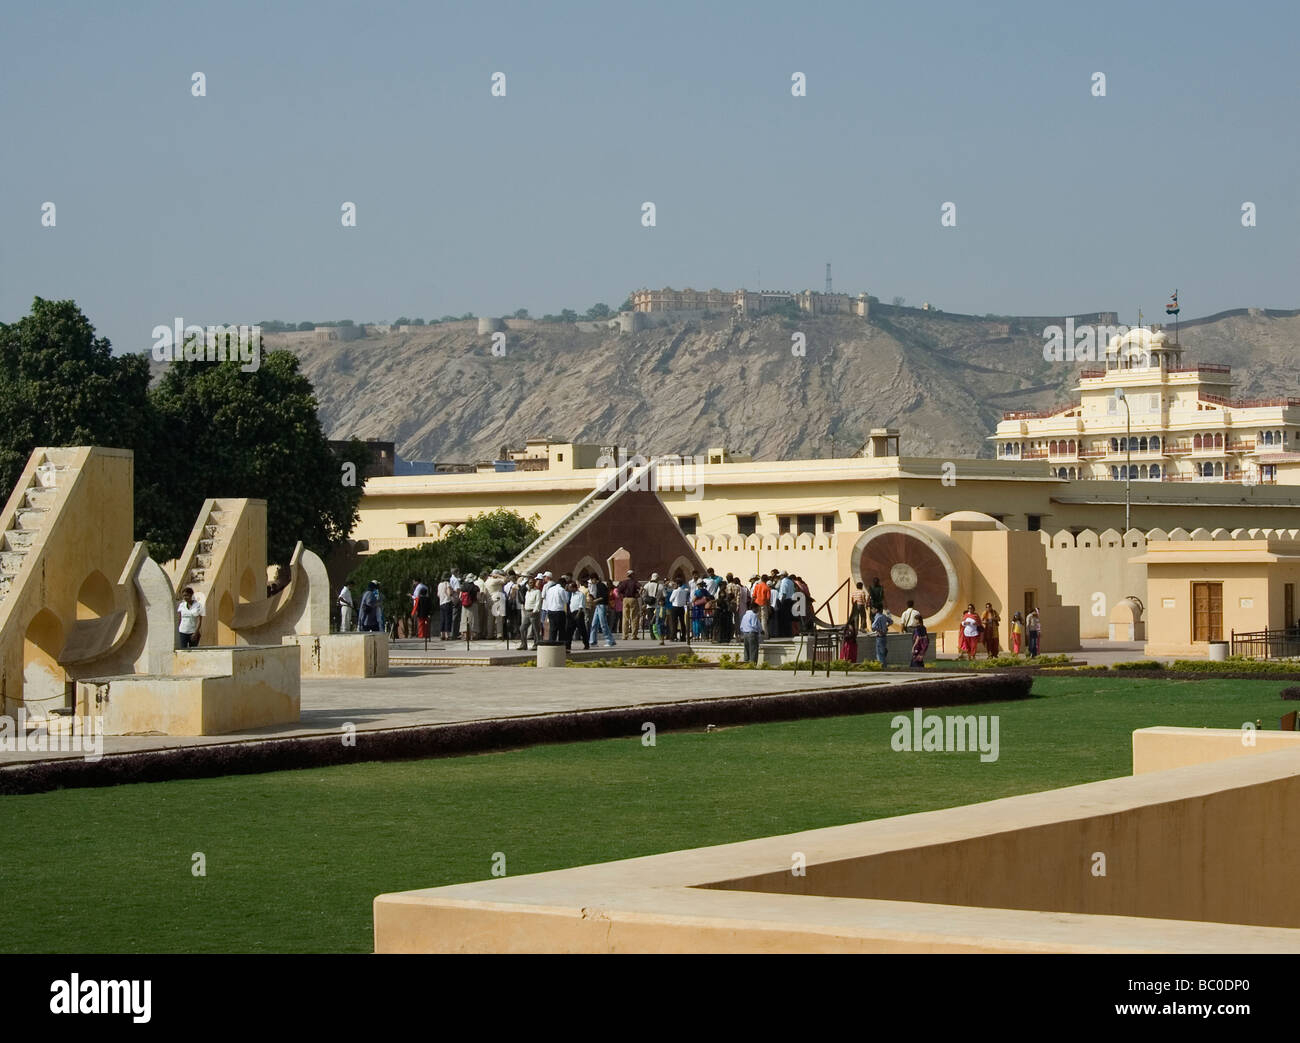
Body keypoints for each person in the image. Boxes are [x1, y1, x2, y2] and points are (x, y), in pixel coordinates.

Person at [589, 575, 616, 648]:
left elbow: (604, 596)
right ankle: (593, 641)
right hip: (598, 606)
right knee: (594, 624)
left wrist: (595, 600)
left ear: (594, 579)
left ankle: (610, 640)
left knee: (603, 624)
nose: (591, 582)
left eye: (591, 580)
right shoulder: (596, 586)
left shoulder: (601, 585)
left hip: (602, 606)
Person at [542, 573, 568, 644]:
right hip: (559, 611)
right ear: (563, 584)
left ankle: (552, 644)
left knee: (552, 629)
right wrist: (565, 590)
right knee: (561, 630)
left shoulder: (550, 589)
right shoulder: (561, 590)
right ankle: (561, 645)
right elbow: (566, 600)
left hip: (550, 611)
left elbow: (547, 599)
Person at [617, 570, 641, 640]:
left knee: (625, 618)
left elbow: (618, 590)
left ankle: (624, 635)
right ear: (632, 575)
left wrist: (621, 598)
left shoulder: (624, 582)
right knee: (634, 618)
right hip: (633, 599)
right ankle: (634, 635)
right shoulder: (634, 582)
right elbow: (642, 588)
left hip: (625, 599)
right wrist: (639, 594)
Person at [521, 578, 542, 649]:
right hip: (527, 612)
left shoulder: (537, 591)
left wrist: (535, 611)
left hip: (533, 612)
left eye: (532, 583)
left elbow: (538, 602)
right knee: (522, 628)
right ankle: (523, 644)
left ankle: (536, 644)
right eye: (529, 583)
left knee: (536, 630)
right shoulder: (527, 592)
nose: (531, 584)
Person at [751, 574, 772, 638]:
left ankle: (757, 634)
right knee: (764, 620)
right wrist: (769, 608)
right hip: (763, 604)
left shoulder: (757, 586)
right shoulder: (767, 587)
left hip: (757, 604)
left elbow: (754, 596)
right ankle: (764, 635)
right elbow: (768, 599)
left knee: (757, 619)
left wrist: (752, 604)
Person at [437, 574, 453, 640]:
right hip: (447, 602)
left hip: (441, 603)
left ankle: (442, 635)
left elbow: (438, 594)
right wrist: (452, 592)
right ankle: (447, 635)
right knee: (448, 619)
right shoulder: (447, 583)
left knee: (442, 619)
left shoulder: (439, 584)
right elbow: (449, 593)